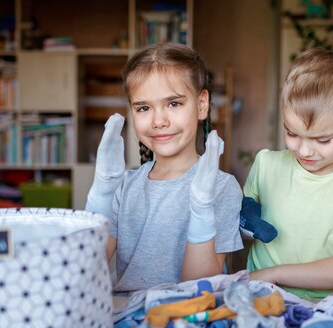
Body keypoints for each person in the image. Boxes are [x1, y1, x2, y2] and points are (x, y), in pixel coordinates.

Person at [85, 43, 243, 292]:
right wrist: (101, 198)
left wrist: (201, 210)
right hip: (126, 315)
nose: (159, 121)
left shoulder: (222, 187)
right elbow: (86, 269)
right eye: (144, 108)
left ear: (202, 104)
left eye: (174, 104)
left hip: (186, 318)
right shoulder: (125, 186)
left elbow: (199, 288)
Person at [244, 47, 333, 301]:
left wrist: (273, 274)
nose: (305, 150)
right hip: (260, 298)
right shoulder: (266, 164)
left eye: (323, 139)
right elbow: (240, 224)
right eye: (292, 133)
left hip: (323, 308)